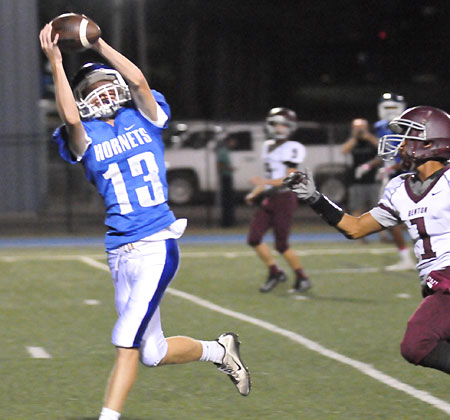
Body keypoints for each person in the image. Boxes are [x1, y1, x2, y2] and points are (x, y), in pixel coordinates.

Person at [39, 24, 250, 420]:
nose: (101, 91)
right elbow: (69, 116)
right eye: (90, 90)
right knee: (152, 352)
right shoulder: (87, 136)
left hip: (156, 243)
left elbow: (137, 78)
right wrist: (56, 62)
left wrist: (98, 44)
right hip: (120, 251)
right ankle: (220, 350)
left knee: (125, 341)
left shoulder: (145, 117)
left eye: (105, 82)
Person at [284, 105, 450, 376]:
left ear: (430, 141)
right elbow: (356, 228)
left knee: (417, 344)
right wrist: (315, 198)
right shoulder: (400, 187)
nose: (402, 143)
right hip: (436, 284)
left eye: (409, 135)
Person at [246, 107, 311, 293]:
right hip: (269, 197)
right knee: (254, 238)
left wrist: (263, 183)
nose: (279, 127)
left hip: (284, 198)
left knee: (281, 244)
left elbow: (289, 179)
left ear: (290, 126)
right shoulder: (266, 145)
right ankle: (275, 272)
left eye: (283, 124)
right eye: (275, 123)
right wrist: (256, 191)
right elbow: (267, 175)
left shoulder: (294, 147)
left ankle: (302, 277)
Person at [374, 92, 415, 271]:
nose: (390, 112)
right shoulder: (381, 126)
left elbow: (412, 157)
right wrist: (373, 166)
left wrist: (392, 168)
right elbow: (386, 154)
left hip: (413, 176)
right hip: (393, 178)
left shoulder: (411, 127)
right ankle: (406, 258)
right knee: (389, 219)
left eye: (393, 108)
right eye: (387, 108)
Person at [341, 118, 380, 218]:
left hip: (373, 180)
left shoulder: (371, 140)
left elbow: (381, 148)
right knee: (356, 208)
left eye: (361, 127)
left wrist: (368, 137)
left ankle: (383, 234)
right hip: (356, 181)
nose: (359, 130)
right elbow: (344, 150)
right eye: (356, 128)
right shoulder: (353, 141)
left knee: (379, 209)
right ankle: (356, 231)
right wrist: (355, 138)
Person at [216, 135, 237, 227]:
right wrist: (229, 168)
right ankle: (226, 222)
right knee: (227, 200)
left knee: (229, 200)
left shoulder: (226, 151)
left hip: (228, 176)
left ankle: (230, 221)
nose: (234, 143)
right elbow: (219, 165)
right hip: (225, 177)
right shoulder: (223, 152)